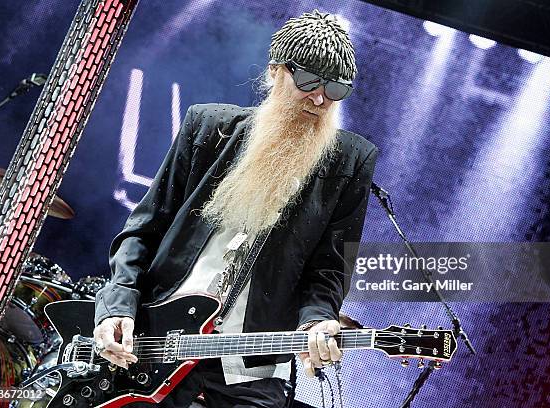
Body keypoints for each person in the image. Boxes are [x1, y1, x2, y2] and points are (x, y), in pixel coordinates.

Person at [93, 10, 378, 408]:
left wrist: (316, 320)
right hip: (156, 339)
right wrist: (118, 303)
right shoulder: (208, 127)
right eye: (309, 81)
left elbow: (329, 269)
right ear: (276, 72)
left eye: (335, 89)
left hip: (252, 367)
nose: (319, 98)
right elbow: (144, 228)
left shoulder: (351, 160)